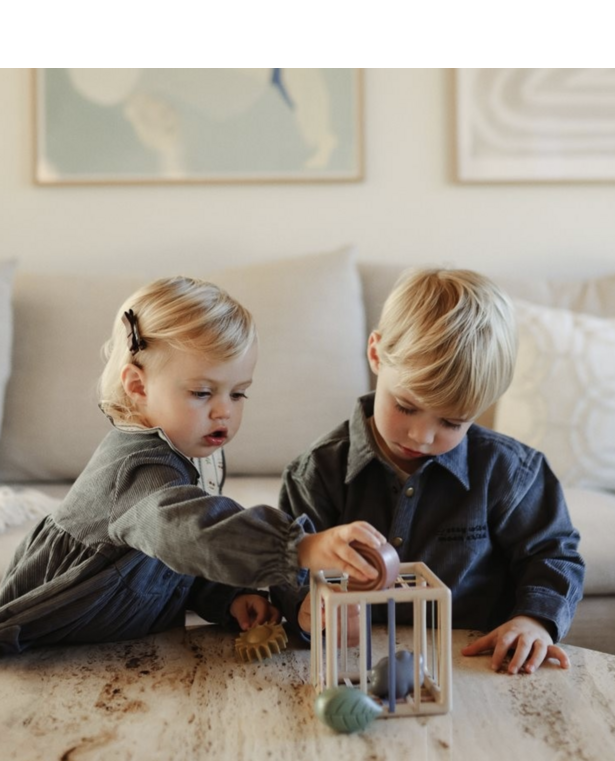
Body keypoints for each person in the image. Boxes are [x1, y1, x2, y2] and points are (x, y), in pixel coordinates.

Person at [0, 277, 383, 656]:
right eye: (202, 393)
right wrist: (298, 547)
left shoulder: (184, 452)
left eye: (238, 393)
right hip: (46, 630)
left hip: (124, 639)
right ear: (137, 386)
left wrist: (226, 598)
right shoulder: (137, 473)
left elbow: (168, 562)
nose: (224, 411)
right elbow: (191, 534)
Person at [276, 267, 585, 675]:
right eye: (405, 406)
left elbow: (553, 554)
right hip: (352, 666)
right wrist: (305, 611)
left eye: (452, 423)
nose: (422, 436)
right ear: (375, 354)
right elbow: (285, 567)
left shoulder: (512, 473)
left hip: (472, 667)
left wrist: (534, 620)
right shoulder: (316, 472)